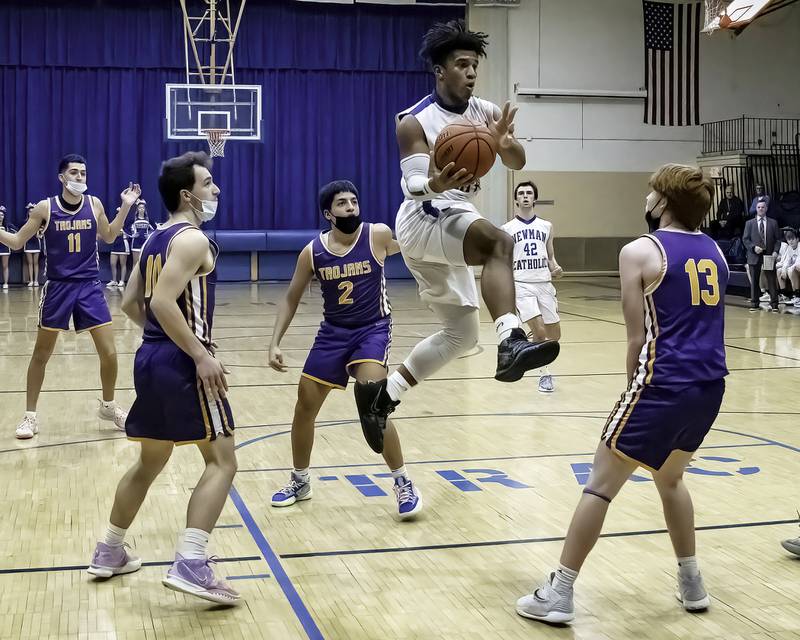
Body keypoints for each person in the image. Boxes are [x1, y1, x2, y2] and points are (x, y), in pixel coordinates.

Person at [516, 164, 727, 624]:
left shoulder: (640, 251)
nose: (646, 197)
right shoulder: (716, 250)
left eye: (651, 191)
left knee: (600, 484)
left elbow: (636, 339)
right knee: (670, 478)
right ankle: (692, 583)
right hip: (710, 386)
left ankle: (561, 592)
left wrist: (632, 387)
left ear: (664, 202)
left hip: (661, 384)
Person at [356, 19, 559, 448]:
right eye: (462, 64)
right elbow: (412, 185)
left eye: (474, 66)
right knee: (501, 242)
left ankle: (382, 397)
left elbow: (518, 161)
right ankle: (511, 339)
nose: (470, 73)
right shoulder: (414, 121)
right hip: (421, 217)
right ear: (440, 71)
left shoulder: (484, 112)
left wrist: (504, 142)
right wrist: (435, 184)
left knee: (462, 335)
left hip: (451, 220)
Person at [87, 151, 239, 605]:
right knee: (223, 460)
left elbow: (131, 302)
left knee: (151, 461)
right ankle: (192, 562)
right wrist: (197, 354)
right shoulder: (192, 240)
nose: (216, 190)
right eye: (208, 183)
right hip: (183, 364)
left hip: (151, 359)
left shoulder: (155, 239)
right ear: (187, 194)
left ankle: (110, 550)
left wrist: (160, 342)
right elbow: (160, 304)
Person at [268, 180, 422, 518]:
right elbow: (291, 297)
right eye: (342, 203)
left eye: (353, 201)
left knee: (372, 402)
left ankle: (403, 482)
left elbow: (411, 245)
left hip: (373, 330)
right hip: (333, 333)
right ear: (328, 213)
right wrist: (275, 341)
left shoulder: (377, 235)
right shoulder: (313, 252)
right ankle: (300, 480)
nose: (351, 207)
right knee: (304, 404)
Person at [0, 154, 136, 439]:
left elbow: (110, 236)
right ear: (62, 177)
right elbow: (15, 242)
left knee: (110, 353)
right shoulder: (45, 208)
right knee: (41, 354)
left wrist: (125, 206)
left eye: (83, 173)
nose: (79, 178)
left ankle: (109, 406)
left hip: (89, 286)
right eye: (74, 173)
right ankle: (30, 416)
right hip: (58, 287)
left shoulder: (94, 204)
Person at [501, 181, 563, 393]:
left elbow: (551, 256)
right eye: (521, 193)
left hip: (544, 283)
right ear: (516, 199)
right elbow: (504, 261)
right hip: (522, 284)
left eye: (529, 193)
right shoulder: (507, 229)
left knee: (554, 335)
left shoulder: (546, 226)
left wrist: (556, 267)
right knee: (539, 331)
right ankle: (544, 375)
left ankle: (524, 344)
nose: (525, 196)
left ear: (534, 198)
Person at [743, 200, 780, 312]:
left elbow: (778, 240)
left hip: (769, 254)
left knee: (771, 279)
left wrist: (775, 251)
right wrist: (753, 248)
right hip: (754, 255)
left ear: (766, 208)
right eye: (758, 207)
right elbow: (745, 239)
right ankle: (754, 304)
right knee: (754, 280)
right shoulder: (749, 223)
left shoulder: (773, 223)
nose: (760, 209)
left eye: (763, 207)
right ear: (756, 208)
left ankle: (774, 304)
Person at [108, 208, 131, 288]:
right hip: (115, 246)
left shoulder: (126, 224)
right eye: (117, 214)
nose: (118, 215)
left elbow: (129, 233)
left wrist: (123, 233)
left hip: (123, 245)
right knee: (112, 263)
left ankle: (122, 281)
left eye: (120, 213)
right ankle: (114, 280)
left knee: (123, 264)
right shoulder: (114, 223)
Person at [130, 199, 154, 269]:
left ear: (145, 209)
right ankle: (134, 279)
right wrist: (132, 235)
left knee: (144, 262)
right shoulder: (134, 220)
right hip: (135, 244)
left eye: (143, 208)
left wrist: (149, 235)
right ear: (137, 209)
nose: (141, 209)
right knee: (135, 263)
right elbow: (128, 230)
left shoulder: (148, 220)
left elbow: (154, 230)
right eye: (140, 208)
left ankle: (144, 279)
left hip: (145, 243)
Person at [776, 229, 798, 304]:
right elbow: (786, 261)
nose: (791, 241)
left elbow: (798, 262)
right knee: (779, 270)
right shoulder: (789, 248)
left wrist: (788, 269)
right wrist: (784, 270)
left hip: (797, 269)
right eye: (789, 240)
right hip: (791, 270)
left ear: (797, 239)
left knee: (791, 270)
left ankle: (797, 296)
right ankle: (784, 295)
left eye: (792, 239)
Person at [22, 203, 42, 287]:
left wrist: (40, 234)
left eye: (33, 211)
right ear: (28, 213)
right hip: (28, 243)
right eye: (30, 211)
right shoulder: (25, 222)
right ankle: (31, 280)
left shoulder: (39, 221)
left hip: (36, 243)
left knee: (35, 262)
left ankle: (36, 280)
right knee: (30, 263)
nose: (31, 213)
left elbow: (41, 234)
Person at [0, 206, 12, 290]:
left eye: (1, 215)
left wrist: (6, 233)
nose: (0, 217)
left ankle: (5, 283)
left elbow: (14, 235)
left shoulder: (8, 226)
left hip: (4, 247)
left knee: (5, 265)